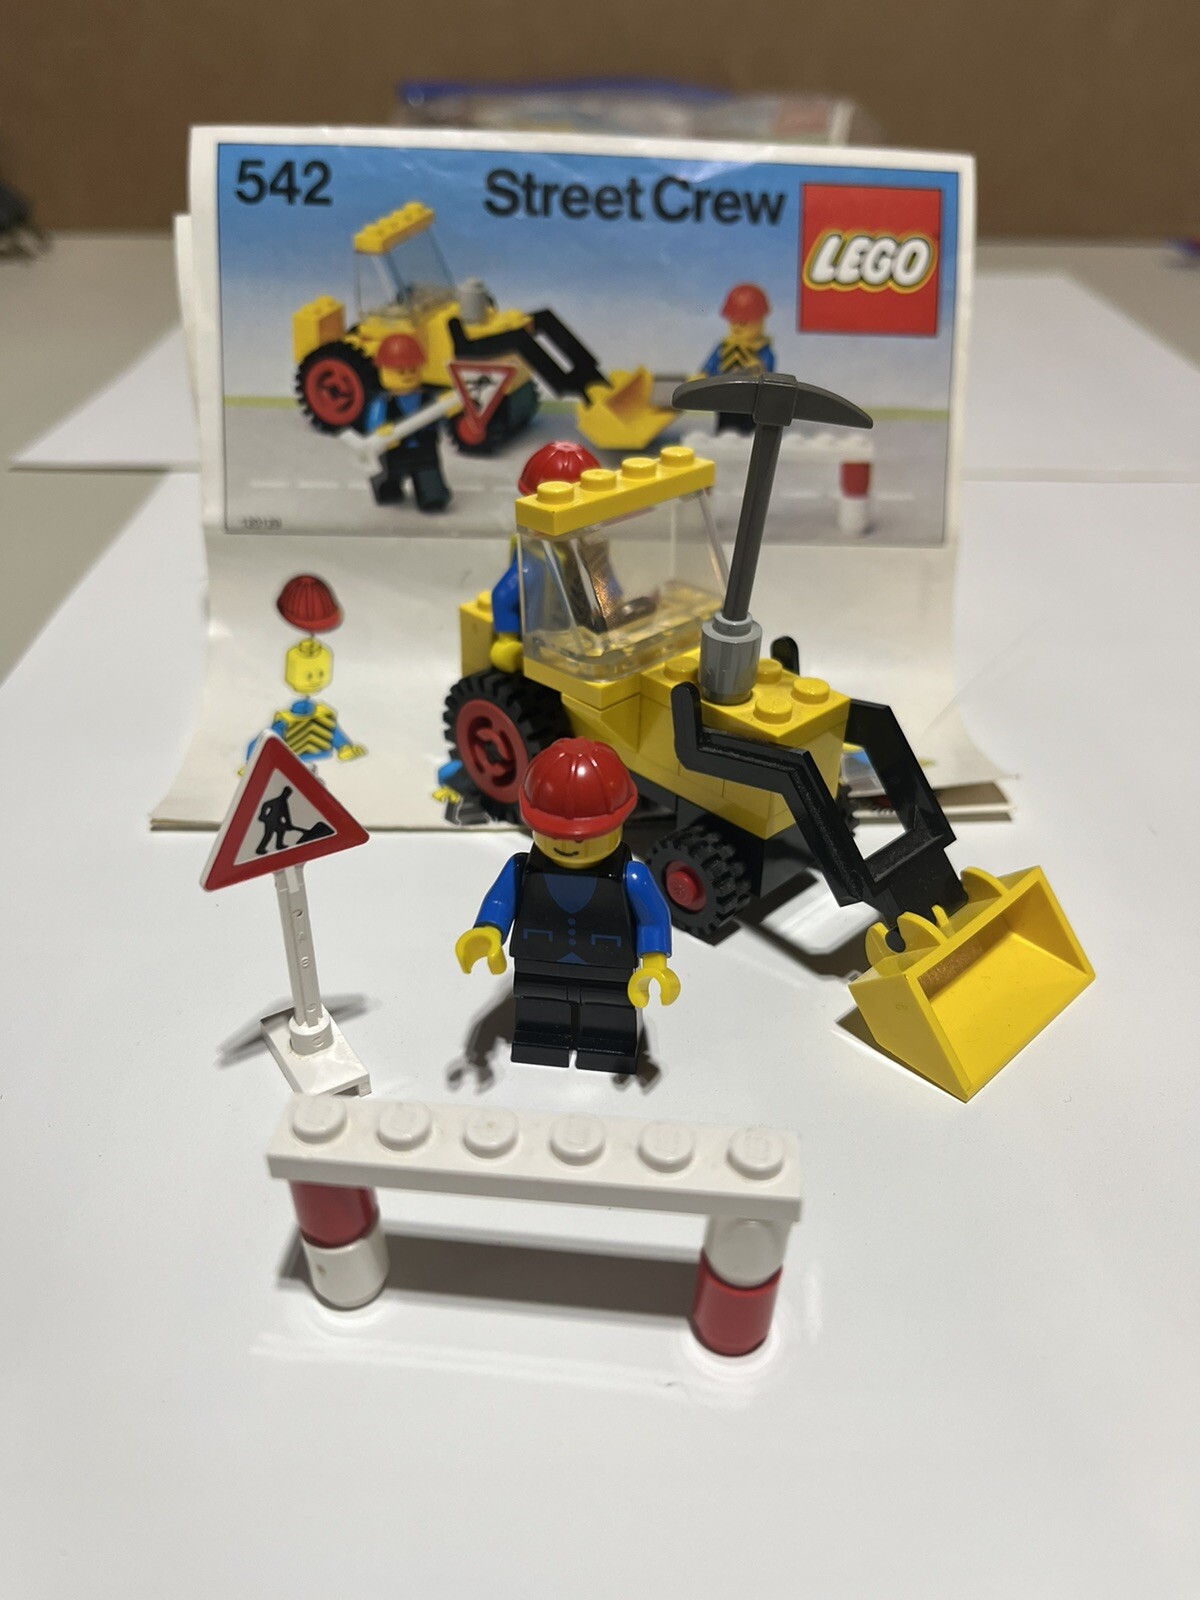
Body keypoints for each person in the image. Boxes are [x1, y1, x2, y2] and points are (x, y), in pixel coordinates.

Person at [455, 739, 680, 1074]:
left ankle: (609, 1045)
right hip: (538, 963)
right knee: (539, 1010)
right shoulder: (521, 869)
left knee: (610, 1015)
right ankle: (541, 1039)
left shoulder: (631, 876)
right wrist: (488, 932)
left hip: (608, 968)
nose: (569, 844)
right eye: (553, 833)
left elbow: (652, 921)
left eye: (582, 836)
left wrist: (654, 964)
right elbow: (500, 900)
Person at [365, 332, 451, 511]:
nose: (408, 375)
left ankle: (431, 494)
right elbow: (374, 423)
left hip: (424, 450)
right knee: (388, 483)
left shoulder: (429, 398)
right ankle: (387, 487)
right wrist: (380, 430)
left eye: (413, 370)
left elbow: (442, 418)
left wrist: (446, 412)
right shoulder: (384, 403)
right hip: (394, 451)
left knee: (431, 487)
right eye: (400, 371)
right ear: (383, 370)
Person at [699, 284, 775, 434]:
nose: (737, 327)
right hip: (724, 394)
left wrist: (760, 370)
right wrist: (704, 374)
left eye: (743, 323)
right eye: (733, 322)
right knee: (725, 422)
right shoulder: (723, 346)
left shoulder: (762, 349)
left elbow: (769, 370)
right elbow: (711, 363)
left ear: (760, 322)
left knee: (748, 423)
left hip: (749, 397)